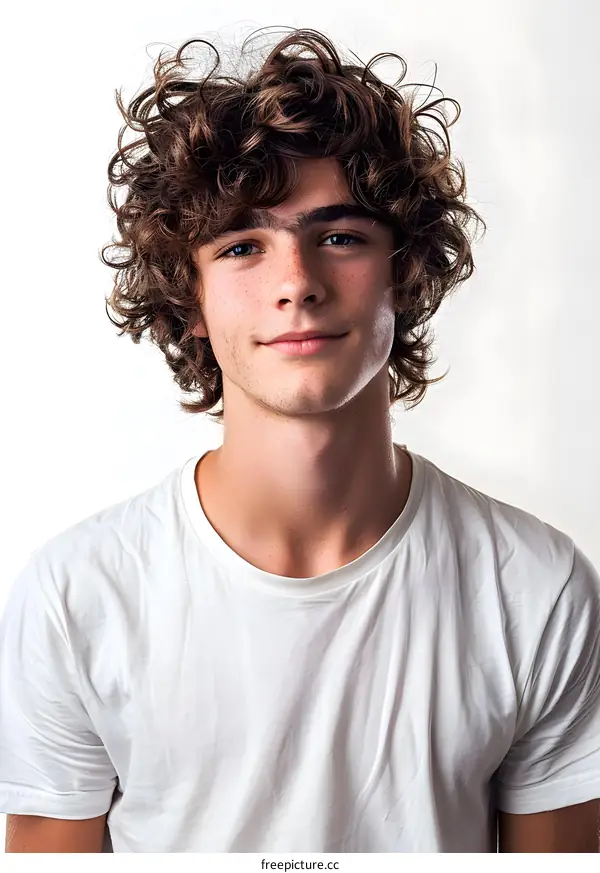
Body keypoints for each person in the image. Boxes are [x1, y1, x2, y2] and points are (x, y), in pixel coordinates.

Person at [1, 27, 599, 854]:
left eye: (341, 237)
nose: (297, 283)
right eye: (243, 246)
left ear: (404, 271)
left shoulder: (533, 587)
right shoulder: (78, 596)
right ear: (190, 300)